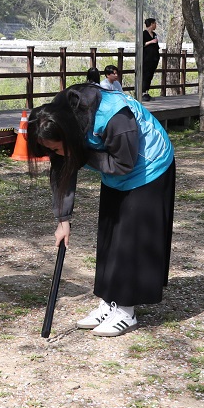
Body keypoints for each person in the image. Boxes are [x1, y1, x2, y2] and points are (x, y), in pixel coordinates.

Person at [27, 84, 176, 337]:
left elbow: (123, 164)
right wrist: (63, 219)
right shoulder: (58, 116)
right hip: (116, 169)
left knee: (130, 239)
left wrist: (81, 154)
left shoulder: (116, 118)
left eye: (54, 148)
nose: (54, 154)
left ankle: (126, 311)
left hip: (149, 167)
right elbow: (62, 167)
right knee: (109, 235)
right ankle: (109, 303)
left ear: (70, 136)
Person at [141, 18, 160, 101]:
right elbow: (141, 44)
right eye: (155, 24)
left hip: (154, 58)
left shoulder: (154, 34)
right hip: (146, 58)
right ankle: (142, 92)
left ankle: (147, 92)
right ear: (151, 24)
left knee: (150, 75)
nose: (155, 25)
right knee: (145, 74)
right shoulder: (144, 34)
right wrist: (151, 42)